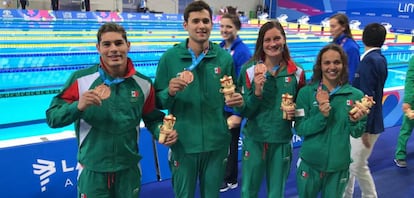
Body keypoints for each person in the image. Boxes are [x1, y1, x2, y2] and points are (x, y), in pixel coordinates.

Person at [45, 22, 177, 198]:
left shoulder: (143, 84)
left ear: (127, 46)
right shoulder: (81, 80)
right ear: (98, 48)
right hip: (93, 171)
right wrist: (77, 106)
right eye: (107, 44)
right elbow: (52, 117)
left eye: (118, 43)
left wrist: (162, 130)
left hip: (128, 170)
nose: (113, 49)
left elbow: (152, 118)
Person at [153, 1, 244, 198]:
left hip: (216, 144)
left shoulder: (223, 58)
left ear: (212, 24)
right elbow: (157, 103)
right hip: (183, 144)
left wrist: (237, 104)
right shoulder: (170, 58)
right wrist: (168, 91)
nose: (201, 26)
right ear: (185, 25)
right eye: (195, 21)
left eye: (205, 21)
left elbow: (234, 97)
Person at [236, 20, 306, 197]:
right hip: (254, 139)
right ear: (261, 43)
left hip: (281, 141)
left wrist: (295, 113)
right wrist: (257, 93)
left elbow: (303, 111)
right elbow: (244, 111)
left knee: (277, 193)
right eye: (267, 40)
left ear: (284, 40)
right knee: (248, 192)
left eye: (276, 38)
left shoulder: (297, 72)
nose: (272, 44)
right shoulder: (249, 71)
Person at [294, 43, 368, 198]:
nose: (332, 67)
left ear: (343, 65)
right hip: (310, 163)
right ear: (320, 66)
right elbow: (300, 128)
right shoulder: (306, 93)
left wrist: (355, 121)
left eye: (337, 62)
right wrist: (322, 116)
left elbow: (357, 133)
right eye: (327, 62)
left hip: (338, 165)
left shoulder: (355, 96)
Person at [344, 23, 388, 198]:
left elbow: (367, 99)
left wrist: (363, 128)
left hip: (366, 124)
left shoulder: (369, 61)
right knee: (357, 164)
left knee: (353, 164)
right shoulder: (380, 58)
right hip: (370, 122)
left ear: (363, 37)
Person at [218, 13, 252, 193]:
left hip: (233, 107)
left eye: (228, 26)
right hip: (221, 105)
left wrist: (238, 113)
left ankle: (230, 178)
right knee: (222, 142)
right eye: (222, 26)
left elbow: (245, 84)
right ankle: (224, 174)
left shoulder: (242, 52)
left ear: (237, 28)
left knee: (230, 143)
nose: (224, 30)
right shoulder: (220, 47)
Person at [394, 55, 414, 168]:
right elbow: (410, 80)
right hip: (413, 101)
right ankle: (400, 155)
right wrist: (408, 101)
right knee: (406, 128)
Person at [329, 13, 360, 83]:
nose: (330, 30)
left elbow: (352, 75)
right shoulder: (333, 44)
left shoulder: (352, 48)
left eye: (333, 27)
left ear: (343, 27)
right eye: (330, 27)